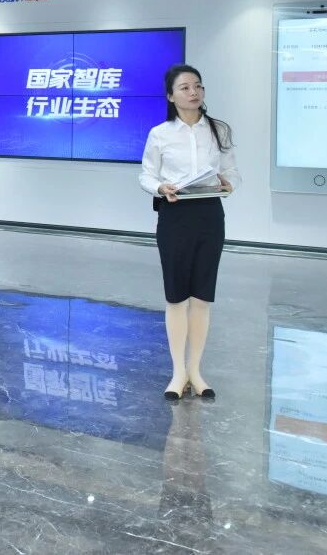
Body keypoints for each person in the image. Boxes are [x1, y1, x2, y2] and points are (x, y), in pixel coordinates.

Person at [139, 64, 239, 402]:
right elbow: (146, 175)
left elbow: (232, 171)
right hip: (175, 215)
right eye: (184, 87)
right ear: (171, 96)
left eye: (198, 86)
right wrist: (160, 187)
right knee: (176, 297)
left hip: (210, 215)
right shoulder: (160, 133)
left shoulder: (218, 130)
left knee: (202, 297)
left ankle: (195, 371)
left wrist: (228, 183)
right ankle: (177, 373)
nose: (193, 92)